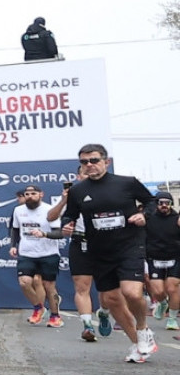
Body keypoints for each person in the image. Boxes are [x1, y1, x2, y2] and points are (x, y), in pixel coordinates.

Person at [59, 144, 155, 363]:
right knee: (112, 299)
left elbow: (150, 202)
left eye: (94, 160)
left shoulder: (127, 183)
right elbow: (69, 215)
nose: (89, 166)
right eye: (84, 162)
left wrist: (144, 216)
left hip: (129, 245)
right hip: (100, 250)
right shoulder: (77, 191)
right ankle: (137, 345)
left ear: (106, 162)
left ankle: (143, 330)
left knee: (131, 293)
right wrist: (67, 224)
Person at [46, 165, 104, 341]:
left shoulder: (108, 192)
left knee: (109, 293)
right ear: (78, 176)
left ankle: (104, 312)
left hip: (105, 244)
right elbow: (51, 217)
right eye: (84, 173)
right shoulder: (73, 196)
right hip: (80, 243)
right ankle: (87, 326)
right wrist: (64, 201)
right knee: (81, 287)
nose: (88, 175)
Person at [8, 185, 65, 327]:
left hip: (48, 253)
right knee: (24, 282)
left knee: (49, 286)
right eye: (27, 194)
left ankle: (55, 315)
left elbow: (59, 233)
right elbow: (15, 230)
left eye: (33, 193)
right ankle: (38, 308)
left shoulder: (49, 210)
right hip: (27, 253)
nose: (30, 196)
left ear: (41, 195)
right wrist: (13, 246)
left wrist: (44, 234)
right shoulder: (18, 210)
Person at [142, 191, 180, 331]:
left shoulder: (177, 218)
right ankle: (163, 303)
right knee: (157, 291)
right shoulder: (149, 218)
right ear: (156, 204)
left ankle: (172, 319)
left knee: (172, 287)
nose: (164, 205)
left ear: (171, 204)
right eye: (161, 203)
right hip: (155, 258)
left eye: (167, 203)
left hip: (175, 257)